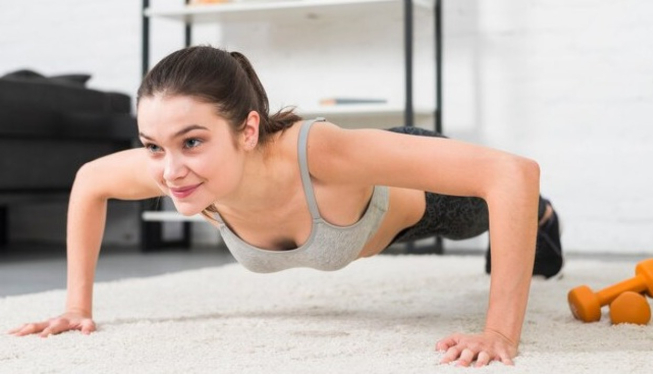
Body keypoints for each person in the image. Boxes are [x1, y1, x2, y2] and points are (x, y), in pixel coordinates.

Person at [8, 46, 563, 367]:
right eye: (153, 144)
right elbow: (89, 182)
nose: (169, 170)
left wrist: (499, 334)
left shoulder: (320, 151)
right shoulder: (178, 173)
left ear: (248, 129)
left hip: (430, 204)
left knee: (507, 206)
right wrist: (77, 307)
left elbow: (512, 171)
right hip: (371, 227)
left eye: (192, 141)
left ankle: (543, 220)